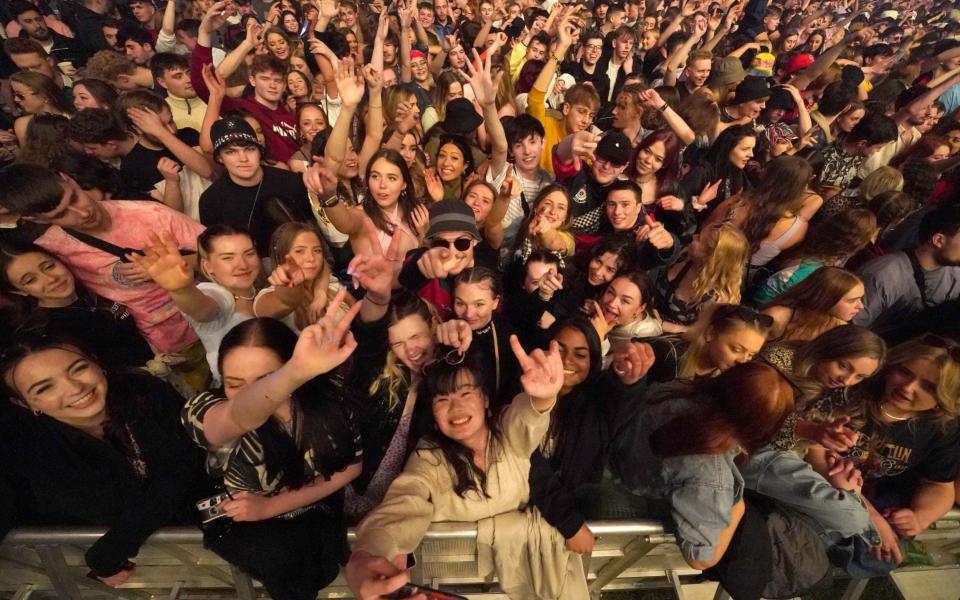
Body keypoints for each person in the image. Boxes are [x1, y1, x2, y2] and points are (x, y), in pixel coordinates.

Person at [345, 336, 591, 600]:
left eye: (465, 393)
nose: (456, 407)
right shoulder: (429, 459)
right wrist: (365, 557)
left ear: (485, 399)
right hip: (453, 581)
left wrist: (543, 399)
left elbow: (526, 419)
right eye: (442, 400)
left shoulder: (508, 434)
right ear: (433, 414)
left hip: (522, 575)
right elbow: (402, 507)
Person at [182, 302, 363, 600]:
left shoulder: (329, 401)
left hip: (313, 515)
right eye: (234, 384)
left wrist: (271, 506)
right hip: (244, 527)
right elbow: (236, 417)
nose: (249, 392)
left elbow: (351, 467)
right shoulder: (204, 409)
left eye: (264, 379)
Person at [0, 333, 209, 588]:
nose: (75, 388)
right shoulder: (29, 448)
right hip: (146, 572)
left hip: (196, 547)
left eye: (78, 369)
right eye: (45, 388)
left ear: (97, 363)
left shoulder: (146, 393)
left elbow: (179, 471)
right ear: (25, 404)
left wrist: (115, 546)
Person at [0, 163, 210, 391]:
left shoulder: (150, 215)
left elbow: (223, 251)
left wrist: (175, 265)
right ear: (38, 220)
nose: (82, 213)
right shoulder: (51, 248)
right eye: (61, 214)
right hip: (162, 350)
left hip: (208, 316)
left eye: (74, 198)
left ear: (68, 179)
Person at [609, 361, 795, 570]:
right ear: (760, 430)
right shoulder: (710, 475)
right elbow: (701, 559)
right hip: (621, 498)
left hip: (607, 455)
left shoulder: (679, 389)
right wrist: (738, 510)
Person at [805, 336, 960, 570]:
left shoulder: (942, 426)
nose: (907, 387)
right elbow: (813, 452)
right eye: (904, 372)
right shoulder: (853, 389)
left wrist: (919, 517)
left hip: (874, 493)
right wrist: (870, 516)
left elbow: (940, 485)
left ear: (943, 398)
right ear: (890, 368)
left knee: (883, 553)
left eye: (928, 386)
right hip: (819, 480)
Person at [128, 226, 260, 383]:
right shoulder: (215, 293)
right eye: (227, 258)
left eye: (249, 254)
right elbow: (203, 310)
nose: (243, 265)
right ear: (208, 266)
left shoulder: (266, 275)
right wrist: (182, 290)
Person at [0, 243, 153, 372]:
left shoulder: (92, 288)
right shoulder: (46, 334)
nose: (51, 279)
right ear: (18, 290)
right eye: (30, 280)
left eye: (49, 266)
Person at [199, 116, 312, 256]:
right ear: (220, 158)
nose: (243, 158)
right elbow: (217, 253)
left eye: (249, 149)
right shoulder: (211, 200)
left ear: (260, 151)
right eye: (231, 152)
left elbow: (312, 232)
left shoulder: (289, 182)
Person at [650, 222, 749, 332]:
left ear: (710, 257)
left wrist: (664, 325)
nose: (694, 236)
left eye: (699, 239)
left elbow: (703, 333)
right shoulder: (685, 255)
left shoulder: (718, 299)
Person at [645, 303, 773, 384]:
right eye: (736, 349)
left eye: (751, 355)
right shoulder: (665, 355)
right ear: (711, 333)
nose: (743, 361)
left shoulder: (726, 381)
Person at [255, 222, 343, 332]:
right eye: (299, 251)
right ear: (282, 255)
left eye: (317, 250)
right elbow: (283, 301)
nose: (311, 258)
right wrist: (290, 287)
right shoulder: (267, 296)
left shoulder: (330, 283)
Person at [762, 267, 866, 343]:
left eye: (861, 299)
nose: (861, 306)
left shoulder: (841, 329)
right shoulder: (778, 316)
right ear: (825, 298)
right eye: (852, 301)